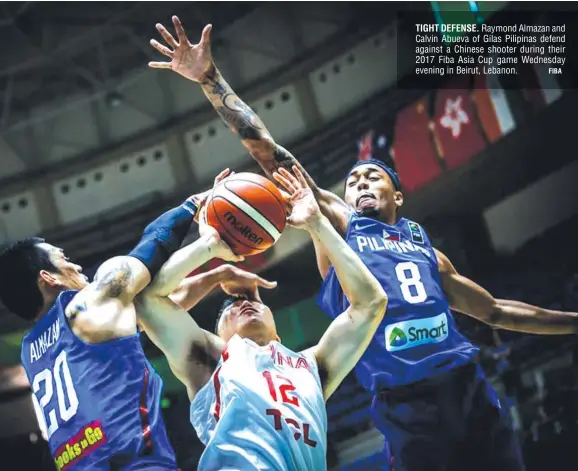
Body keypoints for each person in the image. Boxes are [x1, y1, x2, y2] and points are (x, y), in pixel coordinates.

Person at [147, 16, 578, 471]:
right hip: (406, 401)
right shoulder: (337, 223)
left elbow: (494, 311)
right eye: (352, 180)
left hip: (465, 382)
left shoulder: (425, 248)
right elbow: (266, 149)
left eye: (373, 176)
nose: (361, 182)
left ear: (398, 195)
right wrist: (210, 79)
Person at [0, 171, 272, 471]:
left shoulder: (33, 351)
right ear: (48, 278)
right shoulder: (86, 306)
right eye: (63, 259)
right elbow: (151, 246)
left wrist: (215, 275)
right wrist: (194, 206)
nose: (75, 265)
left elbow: (152, 310)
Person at [136, 167, 388, 471]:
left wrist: (318, 225)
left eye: (252, 300)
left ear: (279, 336)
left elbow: (372, 303)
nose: (243, 304)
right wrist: (210, 251)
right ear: (218, 336)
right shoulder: (210, 359)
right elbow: (147, 299)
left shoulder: (312, 366)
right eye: (230, 306)